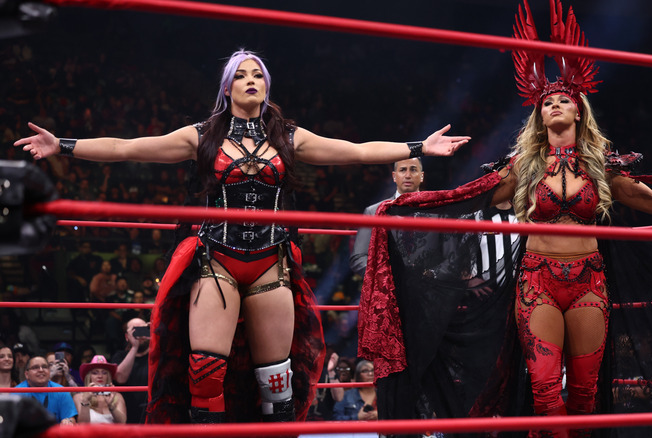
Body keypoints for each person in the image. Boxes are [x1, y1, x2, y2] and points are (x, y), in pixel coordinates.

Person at [359, 2, 652, 437]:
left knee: (585, 395)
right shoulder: (521, 166)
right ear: (539, 115)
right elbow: (469, 197)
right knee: (546, 392)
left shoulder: (601, 165)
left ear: (578, 111)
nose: (554, 105)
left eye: (562, 100)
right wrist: (407, 206)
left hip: (589, 280)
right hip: (538, 280)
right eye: (547, 102)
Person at [15, 48, 467, 424]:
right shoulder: (202, 135)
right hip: (217, 261)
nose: (252, 80)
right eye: (242, 75)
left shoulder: (289, 137)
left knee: (277, 381)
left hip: (271, 261)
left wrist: (418, 147)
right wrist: (65, 145)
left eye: (259, 75)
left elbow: (354, 152)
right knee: (205, 373)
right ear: (228, 86)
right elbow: (128, 146)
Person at [349, 157, 424, 275]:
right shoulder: (373, 212)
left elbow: (447, 256)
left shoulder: (436, 211)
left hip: (427, 287)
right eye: (403, 170)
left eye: (413, 170)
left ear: (422, 176)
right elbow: (359, 258)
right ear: (394, 176)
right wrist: (385, 277)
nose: (408, 175)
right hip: (386, 287)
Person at [16, 356, 78, 425]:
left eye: (44, 367)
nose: (41, 370)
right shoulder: (17, 393)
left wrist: (68, 421)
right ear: (27, 374)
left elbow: (71, 419)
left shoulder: (61, 391)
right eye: (35, 367)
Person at [110, 317, 150, 424]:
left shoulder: (156, 356)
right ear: (127, 337)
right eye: (135, 331)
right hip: (128, 417)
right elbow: (120, 378)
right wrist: (134, 347)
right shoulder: (119, 356)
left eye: (143, 330)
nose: (140, 335)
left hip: (152, 416)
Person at [73, 355, 128, 424]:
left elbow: (122, 423)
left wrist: (111, 406)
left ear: (108, 376)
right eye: (95, 373)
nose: (100, 376)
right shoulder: (79, 397)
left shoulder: (117, 396)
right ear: (89, 376)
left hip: (112, 434)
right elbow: (82, 425)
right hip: (90, 434)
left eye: (104, 373)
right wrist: (85, 400)